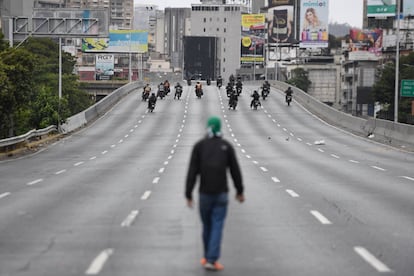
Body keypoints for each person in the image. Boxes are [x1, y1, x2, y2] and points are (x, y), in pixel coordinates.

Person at [185, 116, 244, 271]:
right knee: (217, 225)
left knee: (207, 226)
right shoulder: (226, 146)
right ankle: (211, 258)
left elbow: (192, 171)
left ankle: (207, 257)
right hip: (221, 194)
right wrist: (240, 191)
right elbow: (235, 170)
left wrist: (188, 194)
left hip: (204, 194)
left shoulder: (199, 146)